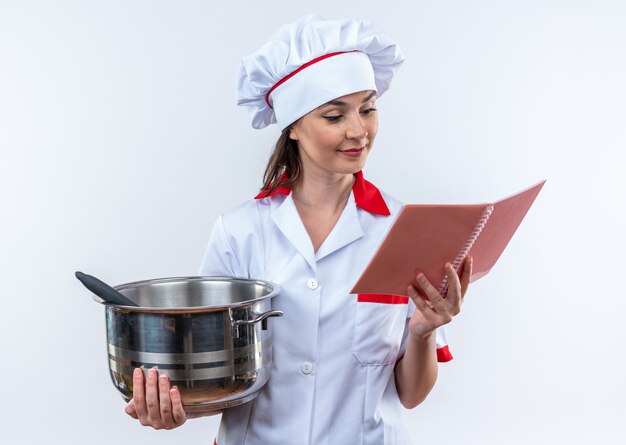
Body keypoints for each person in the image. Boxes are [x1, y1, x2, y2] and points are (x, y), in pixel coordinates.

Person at [124, 14, 472, 444]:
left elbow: (411, 394)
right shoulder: (240, 233)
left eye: (368, 108)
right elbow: (211, 377)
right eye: (333, 115)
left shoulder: (404, 230)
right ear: (293, 127)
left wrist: (423, 330)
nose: (358, 131)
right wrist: (175, 408)